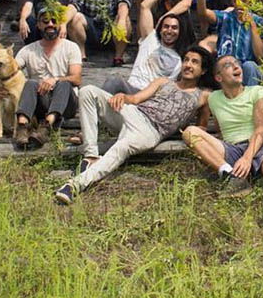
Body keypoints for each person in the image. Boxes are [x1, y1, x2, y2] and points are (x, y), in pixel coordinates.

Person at [56, 47, 213, 205]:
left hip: (151, 131)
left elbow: (202, 128)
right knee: (88, 91)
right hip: (134, 112)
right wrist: (123, 96)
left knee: (120, 148)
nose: (188, 65)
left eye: (194, 62)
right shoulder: (163, 81)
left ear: (203, 70)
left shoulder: (203, 96)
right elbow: (136, 98)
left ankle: (74, 186)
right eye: (186, 60)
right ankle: (91, 155)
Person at [182, 54, 263, 218]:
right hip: (232, 148)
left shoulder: (257, 91)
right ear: (218, 77)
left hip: (262, 144)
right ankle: (229, 175)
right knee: (190, 132)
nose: (235, 66)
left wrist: (247, 158)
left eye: (236, 63)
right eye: (228, 65)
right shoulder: (214, 99)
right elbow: (221, 130)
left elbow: (261, 129)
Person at [100, 0, 195, 97]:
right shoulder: (150, 40)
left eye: (174, 28)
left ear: (180, 31)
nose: (169, 31)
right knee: (114, 80)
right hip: (132, 89)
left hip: (152, 98)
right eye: (166, 26)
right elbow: (145, 6)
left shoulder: (182, 58)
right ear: (160, 29)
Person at [11, 7, 83, 148]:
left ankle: (47, 127)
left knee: (64, 84)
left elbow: (76, 79)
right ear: (38, 25)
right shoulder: (27, 50)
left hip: (66, 103)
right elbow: (11, 70)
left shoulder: (71, 47)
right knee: (31, 83)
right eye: (45, 21)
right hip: (41, 101)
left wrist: (55, 80)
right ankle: (22, 127)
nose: (50, 24)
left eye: (54, 21)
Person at [191, 0, 263, 86]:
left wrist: (251, 24)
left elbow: (260, 56)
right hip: (225, 67)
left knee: (250, 66)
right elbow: (202, 13)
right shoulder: (224, 17)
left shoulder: (260, 22)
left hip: (247, 70)